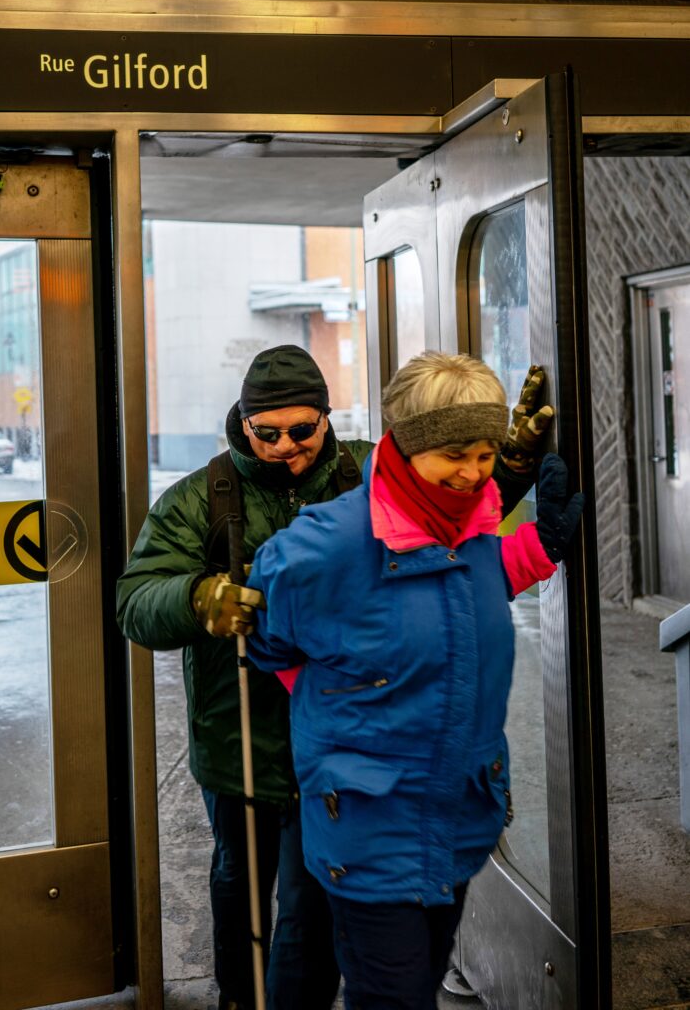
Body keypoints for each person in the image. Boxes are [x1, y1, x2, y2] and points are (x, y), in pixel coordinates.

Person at [116, 345, 551, 1010]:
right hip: (246, 744)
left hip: (345, 749)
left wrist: (507, 462)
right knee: (241, 896)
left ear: (326, 418)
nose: (286, 446)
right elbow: (135, 600)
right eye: (268, 433)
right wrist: (199, 597)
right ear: (243, 423)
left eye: (302, 429)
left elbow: (451, 510)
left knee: (306, 918)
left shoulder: (364, 471)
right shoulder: (198, 497)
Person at [245, 351, 584, 1010]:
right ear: (405, 447)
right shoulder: (322, 549)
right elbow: (272, 644)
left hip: (455, 816)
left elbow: (456, 594)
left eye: (487, 452)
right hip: (371, 826)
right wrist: (345, 714)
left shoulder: (472, 518)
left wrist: (536, 547)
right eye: (455, 453)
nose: (475, 471)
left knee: (418, 983)